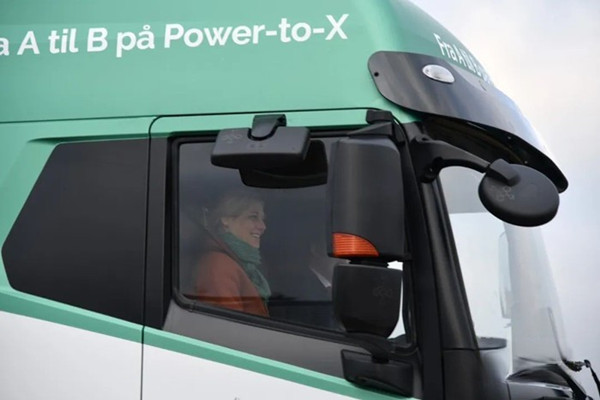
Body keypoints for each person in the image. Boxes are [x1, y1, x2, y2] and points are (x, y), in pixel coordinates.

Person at [194, 190, 271, 317]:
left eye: (263, 219)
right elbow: (228, 324)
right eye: (253, 217)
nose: (262, 226)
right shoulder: (219, 266)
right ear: (226, 220)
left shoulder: (242, 264)